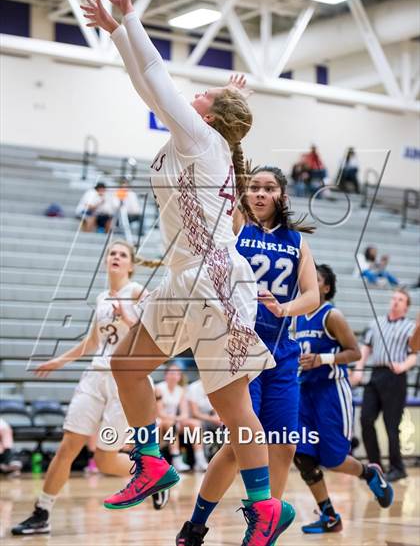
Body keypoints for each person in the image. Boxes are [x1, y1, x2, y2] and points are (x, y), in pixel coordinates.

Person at [81, 0, 287, 542]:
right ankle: (192, 477)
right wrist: (122, 31)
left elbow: (155, 82)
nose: (193, 93)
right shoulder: (199, 139)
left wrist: (128, 21)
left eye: (206, 94)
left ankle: (224, 490)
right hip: (200, 278)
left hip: (209, 278)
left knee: (191, 391)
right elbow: (151, 86)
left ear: (213, 116)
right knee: (179, 385)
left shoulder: (200, 138)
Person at [176, 165, 319, 545]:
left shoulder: (297, 242)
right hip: (240, 348)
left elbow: (312, 295)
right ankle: (195, 526)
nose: (258, 193)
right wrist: (231, 142)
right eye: (254, 187)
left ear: (281, 196)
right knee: (241, 443)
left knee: (284, 441)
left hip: (282, 352)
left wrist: (285, 309)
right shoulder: (236, 226)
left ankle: (264, 525)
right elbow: (232, 182)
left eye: (268, 188)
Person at [11, 241, 168, 536]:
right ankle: (42, 511)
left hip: (128, 380)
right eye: (112, 253)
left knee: (105, 459)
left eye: (122, 254)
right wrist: (57, 361)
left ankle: (155, 476)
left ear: (131, 265)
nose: (116, 257)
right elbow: (93, 343)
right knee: (69, 445)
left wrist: (130, 317)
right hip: (95, 376)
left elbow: (156, 333)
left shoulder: (136, 291)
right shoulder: (100, 297)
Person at [294, 264, 393, 534]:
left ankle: (369, 473)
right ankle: (329, 516)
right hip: (305, 393)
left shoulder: (331, 315)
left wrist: (322, 359)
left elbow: (355, 353)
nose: (308, 283)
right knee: (302, 455)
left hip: (331, 392)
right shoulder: (297, 316)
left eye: (315, 280)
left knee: (333, 459)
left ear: (325, 287)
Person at [352, 288, 417, 482]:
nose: (396, 301)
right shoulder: (376, 323)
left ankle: (398, 467)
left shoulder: (410, 327)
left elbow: (414, 354)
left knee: (391, 425)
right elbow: (366, 348)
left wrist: (402, 366)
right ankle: (375, 465)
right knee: (365, 419)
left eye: (401, 299)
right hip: (376, 374)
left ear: (406, 306)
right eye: (394, 298)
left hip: (396, 376)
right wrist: (358, 368)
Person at [156, 363, 208, 472]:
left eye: (177, 373)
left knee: (195, 423)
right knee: (171, 424)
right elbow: (159, 412)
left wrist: (178, 418)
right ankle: (176, 460)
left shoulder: (181, 391)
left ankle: (200, 459)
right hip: (160, 422)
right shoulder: (159, 388)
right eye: (172, 373)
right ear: (166, 375)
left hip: (175, 420)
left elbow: (184, 413)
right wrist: (176, 419)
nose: (174, 376)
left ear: (180, 377)